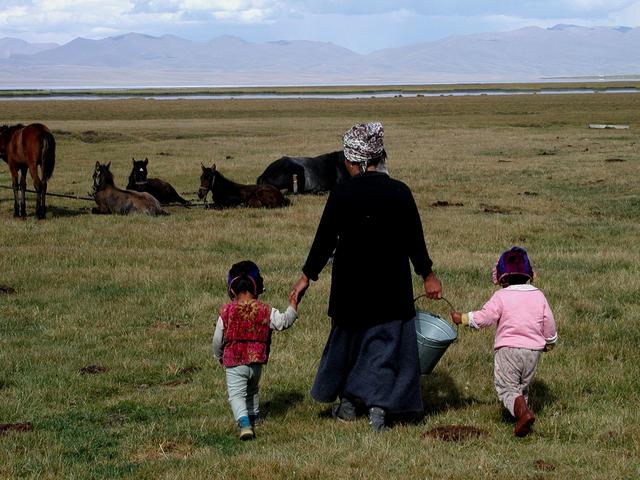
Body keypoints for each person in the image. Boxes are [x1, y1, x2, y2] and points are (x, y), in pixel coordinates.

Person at [290, 122, 442, 432]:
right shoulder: (400, 192)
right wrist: (428, 275)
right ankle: (379, 411)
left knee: (349, 346)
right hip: (391, 290)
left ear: (355, 160)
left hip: (349, 291)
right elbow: (415, 239)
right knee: (386, 349)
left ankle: (348, 405)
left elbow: (324, 240)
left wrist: (306, 277)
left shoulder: (342, 193)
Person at [450, 246, 557, 437]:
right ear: (529, 274)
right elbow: (548, 321)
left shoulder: (501, 296)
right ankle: (520, 416)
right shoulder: (538, 295)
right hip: (533, 351)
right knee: (522, 385)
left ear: (502, 278)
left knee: (507, 387)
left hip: (508, 350)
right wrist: (549, 341)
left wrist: (463, 318)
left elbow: (485, 317)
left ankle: (523, 414)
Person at [213, 260, 298, 440]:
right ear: (257, 288)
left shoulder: (226, 311)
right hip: (256, 363)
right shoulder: (266, 310)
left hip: (235, 362)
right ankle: (255, 417)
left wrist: (218, 354)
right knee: (252, 390)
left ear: (232, 290)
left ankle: (244, 425)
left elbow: (217, 338)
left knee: (236, 395)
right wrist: (292, 306)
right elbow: (283, 322)